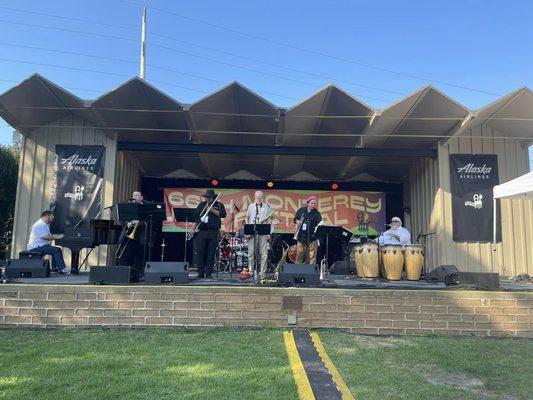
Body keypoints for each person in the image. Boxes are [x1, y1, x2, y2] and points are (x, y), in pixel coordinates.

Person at [193, 189, 226, 279]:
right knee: (200, 253)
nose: (207, 199)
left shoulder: (219, 205)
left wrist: (212, 210)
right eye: (206, 197)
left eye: (208, 198)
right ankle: (200, 273)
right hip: (202, 232)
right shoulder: (201, 205)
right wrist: (193, 229)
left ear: (213, 198)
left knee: (211, 253)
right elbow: (197, 218)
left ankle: (208, 274)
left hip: (213, 232)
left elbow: (223, 215)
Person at [117, 190, 150, 281]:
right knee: (126, 256)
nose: (134, 197)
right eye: (133, 195)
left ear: (141, 198)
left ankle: (138, 276)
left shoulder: (146, 207)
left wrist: (140, 223)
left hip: (140, 236)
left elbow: (150, 221)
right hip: (128, 236)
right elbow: (121, 219)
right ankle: (125, 275)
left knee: (139, 258)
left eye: (137, 195)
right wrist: (127, 223)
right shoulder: (127, 206)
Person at [245, 190, 274, 279]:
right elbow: (247, 217)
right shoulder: (251, 206)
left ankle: (262, 273)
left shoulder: (267, 206)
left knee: (264, 254)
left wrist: (269, 233)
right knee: (251, 253)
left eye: (260, 198)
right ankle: (250, 272)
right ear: (255, 197)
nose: (259, 199)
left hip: (263, 231)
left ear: (263, 197)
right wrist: (248, 228)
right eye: (257, 198)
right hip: (252, 232)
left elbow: (269, 220)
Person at [293, 196, 322, 264]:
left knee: (312, 257)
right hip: (301, 236)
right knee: (299, 255)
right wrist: (297, 221)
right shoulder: (301, 210)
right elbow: (295, 219)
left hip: (312, 237)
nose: (313, 205)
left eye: (314, 203)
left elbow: (320, 224)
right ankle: (297, 271)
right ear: (308, 203)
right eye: (312, 203)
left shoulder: (316, 213)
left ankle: (311, 272)